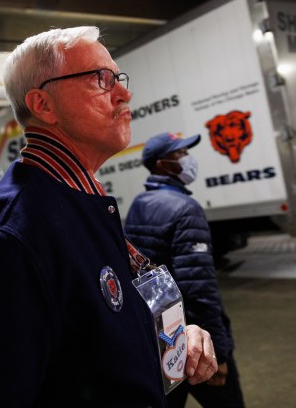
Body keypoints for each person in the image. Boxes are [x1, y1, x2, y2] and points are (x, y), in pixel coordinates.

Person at [0, 26, 217, 407]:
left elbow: (89, 344)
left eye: (118, 78)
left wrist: (168, 341)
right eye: (100, 79)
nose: (124, 92)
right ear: (43, 105)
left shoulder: (79, 200)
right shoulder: (7, 239)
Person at [124, 132, 245, 408]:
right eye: (179, 154)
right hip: (195, 341)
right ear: (161, 164)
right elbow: (199, 289)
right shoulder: (186, 209)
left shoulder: (138, 205)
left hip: (163, 338)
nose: (188, 160)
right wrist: (221, 352)